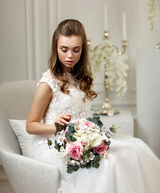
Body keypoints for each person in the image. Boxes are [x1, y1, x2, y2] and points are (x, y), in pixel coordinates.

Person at [27, 19, 160, 193]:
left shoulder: (79, 78)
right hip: (56, 144)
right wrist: (56, 126)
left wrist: (91, 134)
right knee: (110, 164)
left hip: (83, 140)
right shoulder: (48, 83)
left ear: (83, 49)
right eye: (64, 49)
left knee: (136, 149)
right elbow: (30, 125)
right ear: (55, 48)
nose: (69, 56)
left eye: (76, 50)